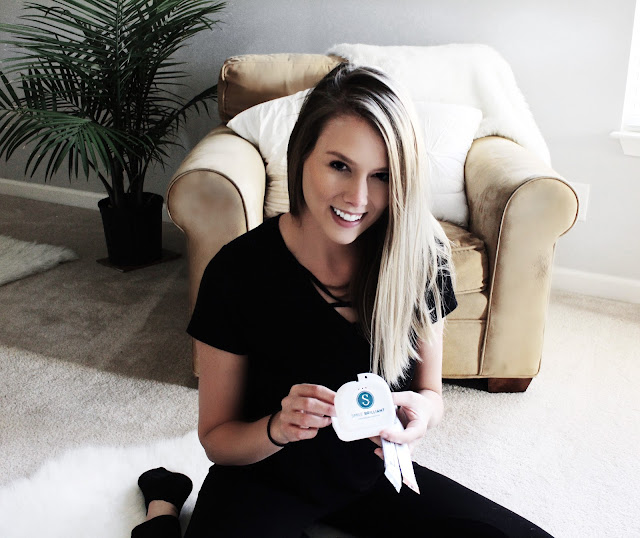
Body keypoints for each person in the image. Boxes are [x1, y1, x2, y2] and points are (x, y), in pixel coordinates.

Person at [131, 63, 553, 538]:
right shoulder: (238, 272)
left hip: (373, 474)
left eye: (381, 175)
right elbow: (217, 439)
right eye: (339, 166)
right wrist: (277, 427)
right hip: (264, 476)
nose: (358, 197)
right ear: (302, 156)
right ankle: (163, 504)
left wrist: (420, 415)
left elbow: (430, 395)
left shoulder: (420, 258)